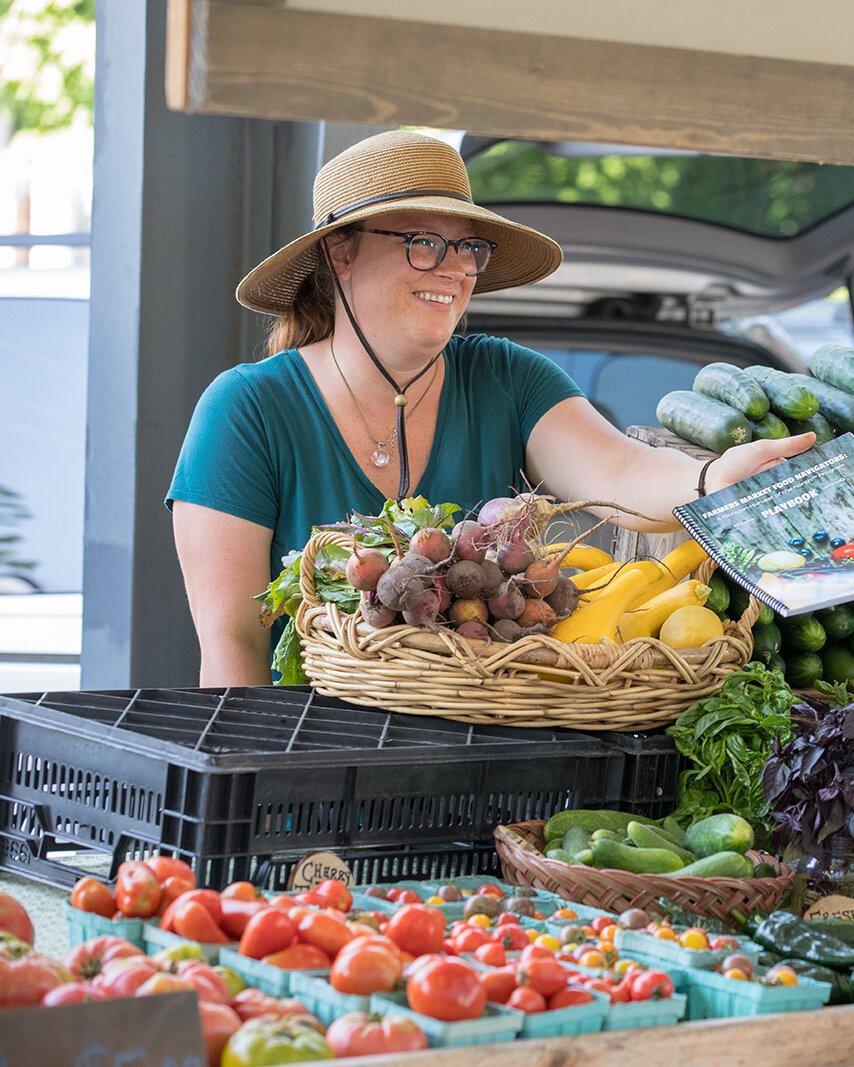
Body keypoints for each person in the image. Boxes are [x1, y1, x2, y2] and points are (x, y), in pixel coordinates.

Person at [168, 131, 809, 685]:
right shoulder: (246, 410)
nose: (454, 270)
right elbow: (234, 644)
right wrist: (257, 804)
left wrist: (710, 480)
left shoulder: (507, 376)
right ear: (342, 252)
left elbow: (619, 475)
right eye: (423, 242)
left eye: (468, 248)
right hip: (309, 782)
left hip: (475, 768)